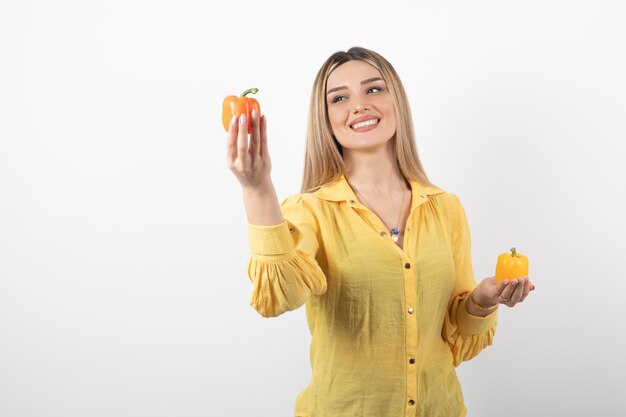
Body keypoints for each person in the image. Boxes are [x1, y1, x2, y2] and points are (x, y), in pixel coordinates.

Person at [225, 46, 534, 417]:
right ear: (324, 118)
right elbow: (277, 298)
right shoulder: (309, 211)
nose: (359, 105)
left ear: (396, 101)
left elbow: (455, 336)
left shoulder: (446, 207)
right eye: (339, 98)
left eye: (373, 89)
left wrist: (482, 301)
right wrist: (257, 188)